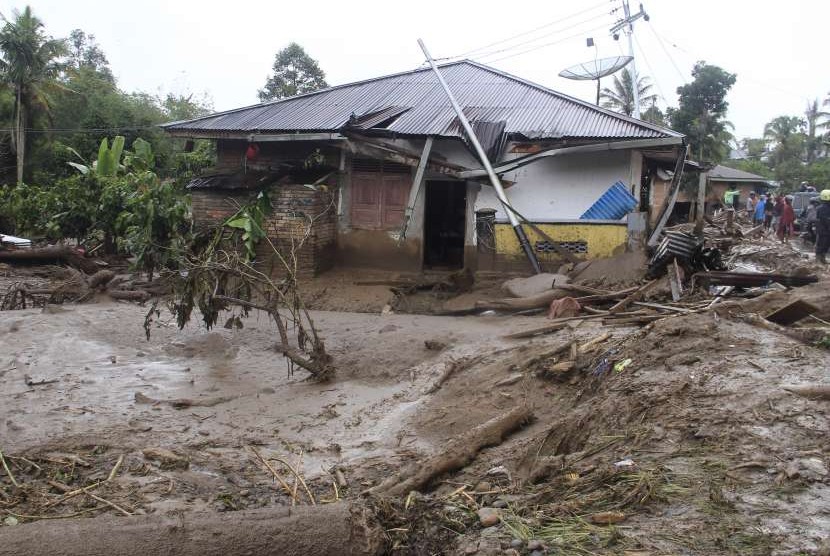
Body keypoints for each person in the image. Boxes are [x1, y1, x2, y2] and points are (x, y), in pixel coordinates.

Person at [817, 189, 830, 264]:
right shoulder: (823, 208)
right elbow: (826, 220)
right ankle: (819, 260)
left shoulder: (820, 208)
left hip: (824, 230)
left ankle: (822, 259)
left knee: (825, 245)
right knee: (822, 245)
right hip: (824, 230)